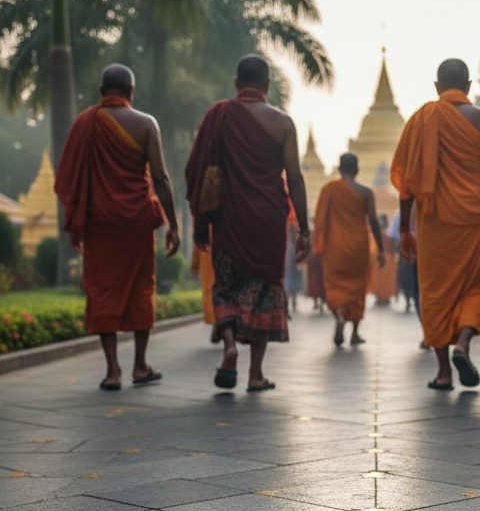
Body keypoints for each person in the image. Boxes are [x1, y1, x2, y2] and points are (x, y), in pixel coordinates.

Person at [185, 54, 309, 392]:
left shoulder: (219, 115)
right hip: (269, 218)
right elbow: (295, 179)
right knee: (265, 290)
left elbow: (196, 169)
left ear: (237, 84)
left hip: (228, 216)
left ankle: (228, 346)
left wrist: (201, 217)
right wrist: (305, 230)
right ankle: (255, 374)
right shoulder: (283, 123)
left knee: (226, 285)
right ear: (267, 86)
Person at [54, 63, 180, 390]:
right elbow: (162, 179)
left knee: (102, 290)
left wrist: (76, 225)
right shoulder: (145, 124)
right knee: (141, 289)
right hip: (137, 224)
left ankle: (113, 371)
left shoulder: (85, 123)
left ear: (101, 93)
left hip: (100, 225)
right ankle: (140, 365)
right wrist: (174, 225)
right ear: (131, 92)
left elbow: (70, 179)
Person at [392, 59, 480, 390]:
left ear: (436, 87)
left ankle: (444, 372)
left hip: (435, 220)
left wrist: (405, 229)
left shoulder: (421, 119)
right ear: (469, 86)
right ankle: (464, 344)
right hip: (474, 216)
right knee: (476, 284)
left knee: (435, 291)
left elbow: (408, 181)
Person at [313, 153, 384, 347]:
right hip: (358, 249)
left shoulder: (329, 190)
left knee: (335, 287)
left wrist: (317, 244)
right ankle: (354, 333)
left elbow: (319, 221)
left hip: (335, 249)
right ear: (357, 170)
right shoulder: (365, 192)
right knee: (357, 290)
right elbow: (374, 222)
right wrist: (382, 249)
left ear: (339, 168)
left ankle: (339, 316)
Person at [369, 214, 398, 306]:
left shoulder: (380, 235)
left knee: (380, 280)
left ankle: (380, 297)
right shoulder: (387, 235)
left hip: (379, 259)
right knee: (385, 280)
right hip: (386, 259)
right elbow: (392, 246)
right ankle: (384, 297)